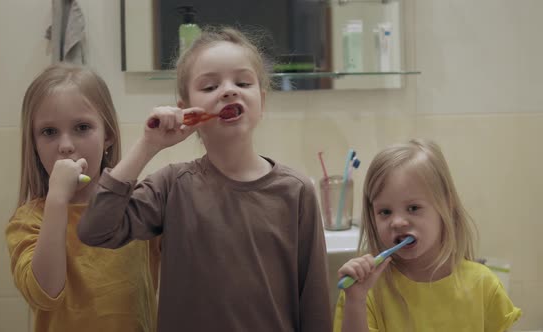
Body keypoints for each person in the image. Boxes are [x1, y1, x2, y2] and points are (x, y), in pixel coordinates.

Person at [77, 27, 332, 331]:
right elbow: (96, 230)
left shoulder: (295, 191)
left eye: (242, 82)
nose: (228, 90)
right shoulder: (172, 186)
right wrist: (148, 145)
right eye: (210, 86)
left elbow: (314, 301)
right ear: (187, 111)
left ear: (261, 101)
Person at [5, 63, 158, 332]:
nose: (66, 145)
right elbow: (46, 293)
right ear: (35, 144)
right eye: (49, 132)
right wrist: (56, 201)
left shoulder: (138, 206)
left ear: (108, 135)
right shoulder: (28, 221)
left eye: (82, 127)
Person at [333, 139, 521, 332]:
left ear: (446, 206)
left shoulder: (484, 286)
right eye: (385, 212)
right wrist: (355, 302)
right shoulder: (365, 291)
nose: (397, 222)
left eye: (413, 208)